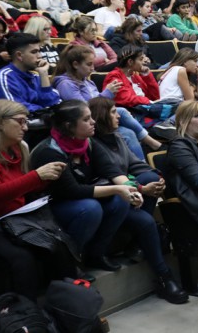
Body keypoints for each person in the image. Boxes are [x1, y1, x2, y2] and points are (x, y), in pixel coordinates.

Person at [86, 97, 188, 303]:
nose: (119, 116)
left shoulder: (116, 137)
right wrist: (141, 188)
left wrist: (157, 177)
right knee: (146, 221)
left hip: (129, 194)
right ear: (102, 116)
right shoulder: (93, 145)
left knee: (150, 176)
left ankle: (137, 242)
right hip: (110, 201)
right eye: (114, 112)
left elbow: (135, 165)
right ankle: (164, 276)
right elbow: (110, 176)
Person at [29, 101, 138, 272]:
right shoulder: (49, 151)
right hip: (51, 207)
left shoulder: (88, 142)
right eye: (86, 119)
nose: (93, 122)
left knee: (120, 201)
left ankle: (97, 253)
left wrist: (129, 188)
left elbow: (110, 169)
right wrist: (118, 189)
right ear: (69, 126)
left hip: (79, 199)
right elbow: (73, 191)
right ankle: (69, 261)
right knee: (90, 208)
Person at [0, 100, 78, 301]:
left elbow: (24, 187)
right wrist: (37, 176)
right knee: (22, 259)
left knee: (59, 243)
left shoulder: (19, 148)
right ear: (0, 123)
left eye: (26, 121)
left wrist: (46, 179)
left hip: (17, 218)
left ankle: (72, 304)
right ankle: (28, 316)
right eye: (20, 122)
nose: (26, 127)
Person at [52, 44, 161, 158]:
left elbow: (155, 95)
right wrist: (108, 93)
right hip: (86, 123)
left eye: (93, 64)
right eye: (89, 64)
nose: (93, 68)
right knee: (122, 111)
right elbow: (83, 108)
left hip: (100, 120)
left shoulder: (88, 82)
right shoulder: (65, 84)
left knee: (129, 133)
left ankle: (142, 167)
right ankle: (151, 142)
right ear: (75, 64)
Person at [0, 32, 60, 112]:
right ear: (19, 55)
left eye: (39, 51)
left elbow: (53, 103)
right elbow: (18, 110)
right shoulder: (3, 77)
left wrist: (44, 74)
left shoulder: (35, 76)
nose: (39, 56)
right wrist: (45, 109)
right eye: (34, 52)